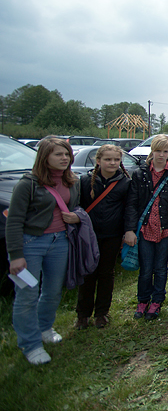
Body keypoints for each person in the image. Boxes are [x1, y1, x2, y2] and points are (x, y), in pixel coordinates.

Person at [5, 137, 80, 365]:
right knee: (27, 293)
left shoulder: (72, 181)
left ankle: (45, 327)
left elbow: (76, 208)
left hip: (59, 243)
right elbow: (14, 220)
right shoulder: (27, 184)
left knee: (53, 290)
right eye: (58, 154)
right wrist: (16, 255)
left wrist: (77, 216)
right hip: (31, 243)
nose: (64, 158)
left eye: (66, 154)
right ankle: (30, 344)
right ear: (44, 157)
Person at [125, 134, 168, 322]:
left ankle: (157, 300)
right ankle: (142, 300)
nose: (161, 155)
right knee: (145, 268)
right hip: (145, 228)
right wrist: (130, 229)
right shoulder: (140, 173)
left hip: (165, 229)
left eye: (165, 151)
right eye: (158, 150)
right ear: (152, 150)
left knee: (161, 268)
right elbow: (132, 203)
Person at [76, 145, 132, 330]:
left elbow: (129, 209)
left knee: (106, 273)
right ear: (98, 161)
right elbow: (78, 206)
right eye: (108, 159)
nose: (112, 163)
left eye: (116, 160)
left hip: (112, 235)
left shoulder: (124, 182)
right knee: (87, 273)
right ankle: (83, 315)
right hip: (88, 236)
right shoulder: (85, 181)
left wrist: (128, 230)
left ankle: (102, 313)